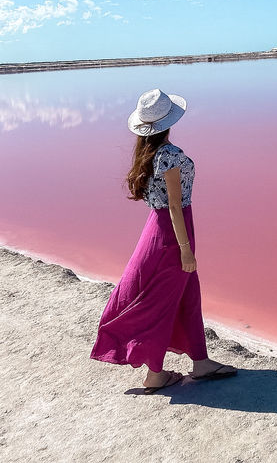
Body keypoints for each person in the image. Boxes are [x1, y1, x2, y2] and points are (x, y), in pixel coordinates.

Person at [90, 87, 237, 393]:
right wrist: (185, 250)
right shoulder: (169, 155)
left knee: (188, 294)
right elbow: (174, 204)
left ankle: (200, 361)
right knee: (162, 300)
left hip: (158, 230)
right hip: (172, 234)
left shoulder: (149, 153)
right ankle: (155, 374)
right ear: (169, 122)